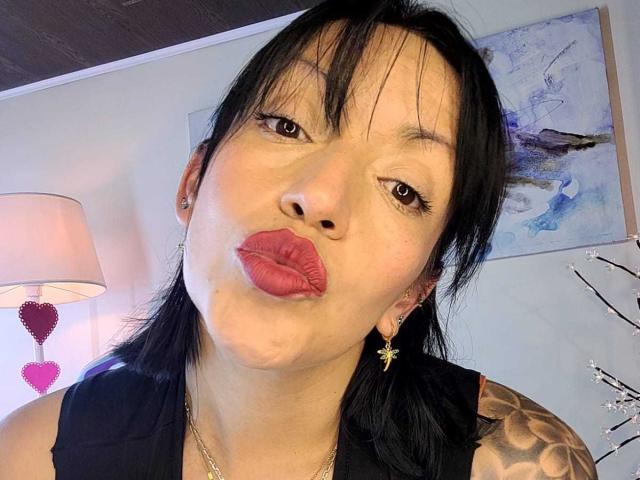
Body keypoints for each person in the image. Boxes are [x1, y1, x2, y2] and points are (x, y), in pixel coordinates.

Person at [0, 0, 598, 478]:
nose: (319, 196)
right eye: (287, 125)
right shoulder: (31, 456)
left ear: (411, 292)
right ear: (193, 183)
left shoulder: (521, 465)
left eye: (402, 188)